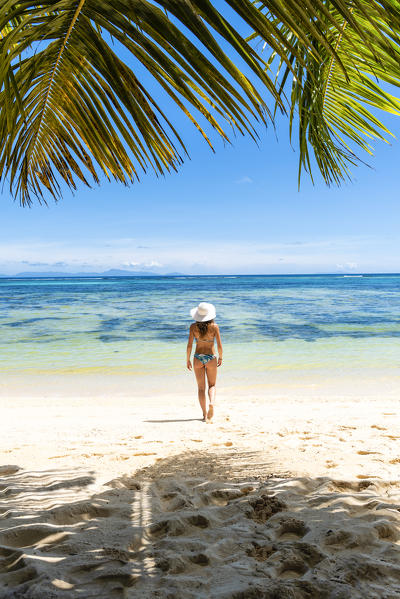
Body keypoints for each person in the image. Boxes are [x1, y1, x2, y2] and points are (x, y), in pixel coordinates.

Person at [186, 302, 223, 422]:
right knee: (212, 385)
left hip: (198, 358)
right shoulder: (214, 327)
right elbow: (219, 346)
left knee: (201, 388)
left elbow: (189, 345)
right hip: (211, 357)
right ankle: (211, 403)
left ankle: (204, 415)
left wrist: (187, 359)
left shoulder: (193, 327)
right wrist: (221, 357)